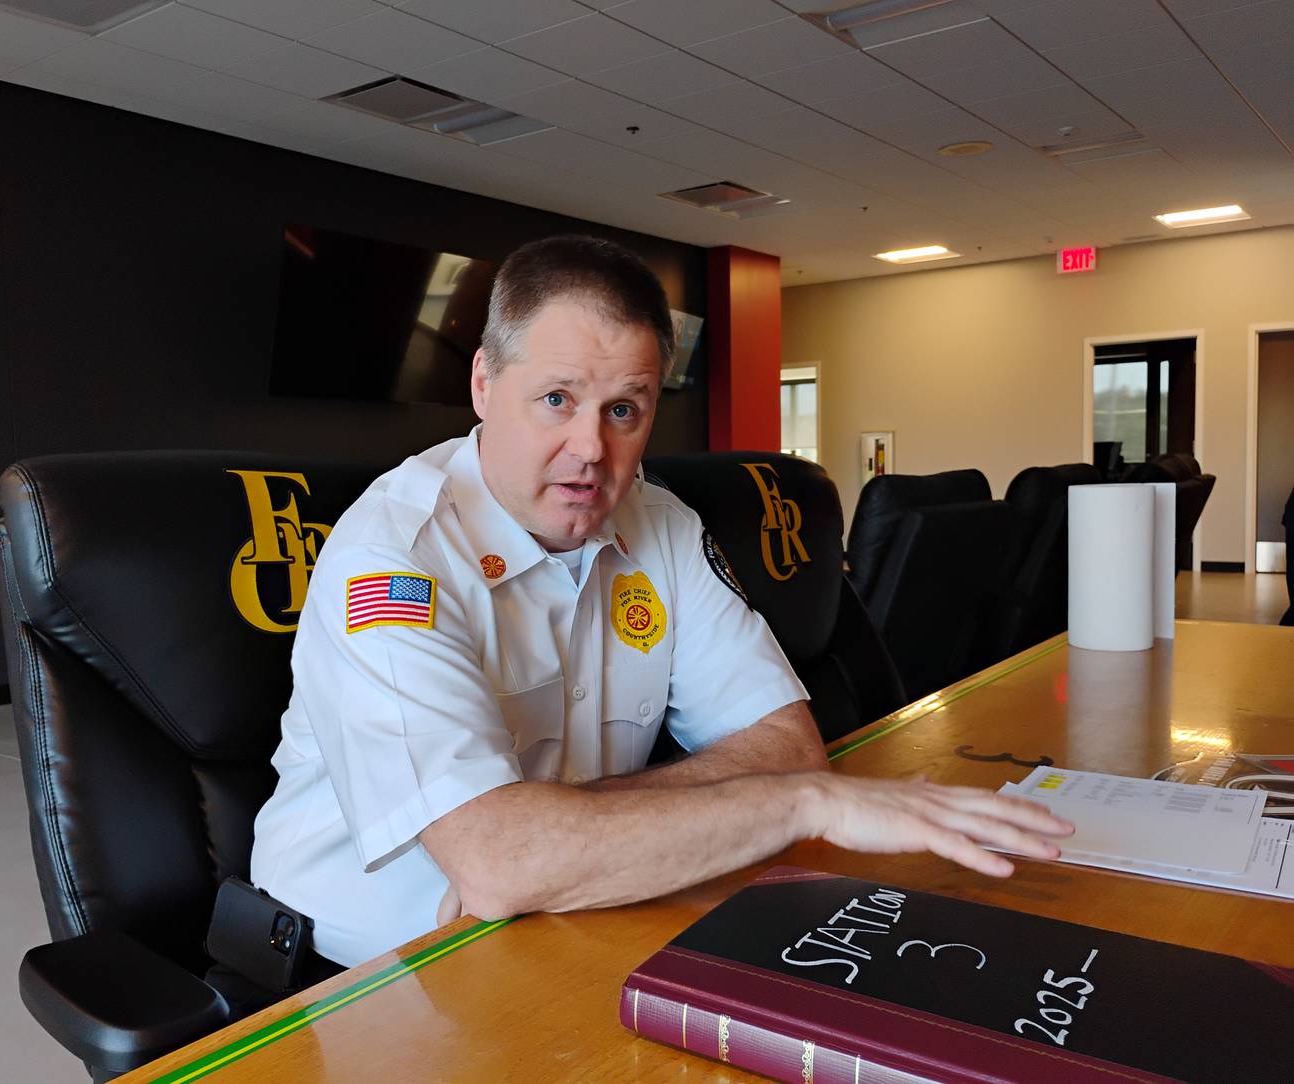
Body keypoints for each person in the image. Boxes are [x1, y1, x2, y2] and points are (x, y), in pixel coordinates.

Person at [250, 235, 1072, 969]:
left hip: (578, 912)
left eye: (623, 411)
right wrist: (792, 808)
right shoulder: (394, 557)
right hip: (362, 970)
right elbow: (500, 865)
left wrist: (557, 835)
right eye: (556, 400)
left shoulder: (663, 524)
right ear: (482, 382)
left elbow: (786, 748)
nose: (590, 451)